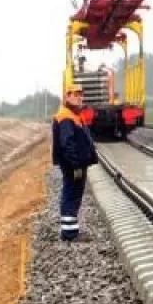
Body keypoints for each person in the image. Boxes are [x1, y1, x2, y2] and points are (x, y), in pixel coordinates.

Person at [52, 84, 98, 241]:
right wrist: (76, 164)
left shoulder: (75, 115)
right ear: (67, 97)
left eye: (81, 94)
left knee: (75, 194)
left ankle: (71, 231)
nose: (79, 97)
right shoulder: (66, 116)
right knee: (71, 194)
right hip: (73, 165)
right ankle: (69, 234)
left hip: (76, 164)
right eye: (76, 94)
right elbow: (67, 144)